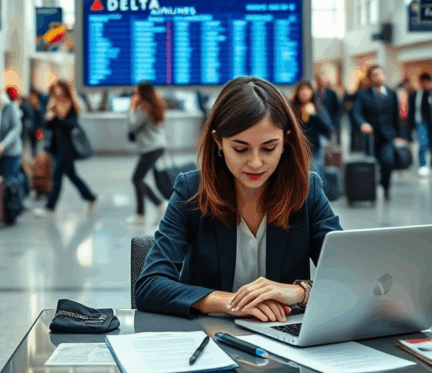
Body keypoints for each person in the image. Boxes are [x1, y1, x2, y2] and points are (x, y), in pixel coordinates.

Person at [134, 76, 342, 321]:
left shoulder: (307, 190)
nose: (255, 163)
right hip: (209, 337)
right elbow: (150, 285)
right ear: (218, 141)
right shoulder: (191, 190)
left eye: (269, 148)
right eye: (240, 149)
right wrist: (229, 302)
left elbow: (349, 277)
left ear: (285, 140)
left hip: (282, 336)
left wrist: (299, 292)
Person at [34, 80, 99, 218]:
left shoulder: (71, 105)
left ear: (65, 90)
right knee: (72, 175)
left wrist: (57, 116)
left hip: (67, 147)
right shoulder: (53, 104)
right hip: (56, 146)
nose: (57, 91)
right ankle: (90, 197)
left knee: (56, 176)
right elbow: (48, 126)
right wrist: (49, 117)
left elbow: (70, 125)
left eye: (59, 88)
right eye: (55, 88)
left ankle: (50, 207)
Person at [352, 65, 405, 200]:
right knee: (371, 165)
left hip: (388, 137)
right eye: (375, 75)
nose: (378, 77)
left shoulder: (392, 94)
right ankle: (370, 190)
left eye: (380, 74)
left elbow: (396, 117)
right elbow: (357, 112)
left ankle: (385, 186)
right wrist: (363, 123)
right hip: (370, 138)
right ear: (370, 78)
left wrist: (401, 136)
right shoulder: (363, 94)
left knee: (388, 161)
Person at [127, 81, 168, 226]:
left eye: (136, 93)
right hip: (157, 146)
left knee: (137, 179)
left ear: (142, 94)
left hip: (151, 148)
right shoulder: (156, 105)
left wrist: (131, 108)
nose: (134, 96)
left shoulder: (143, 108)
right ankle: (141, 215)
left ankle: (158, 204)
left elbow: (132, 126)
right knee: (138, 179)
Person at [407, 73, 432, 176]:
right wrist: (409, 127)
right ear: (420, 83)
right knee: (423, 143)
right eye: (423, 83)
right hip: (421, 123)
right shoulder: (415, 95)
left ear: (431, 82)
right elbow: (411, 112)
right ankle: (422, 165)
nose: (425, 85)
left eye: (427, 82)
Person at [290, 80, 334, 171]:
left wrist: (313, 115)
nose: (305, 92)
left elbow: (327, 129)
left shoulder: (318, 108)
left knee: (314, 175)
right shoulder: (291, 109)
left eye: (308, 89)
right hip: (297, 150)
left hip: (315, 151)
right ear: (297, 92)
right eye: (302, 89)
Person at [313, 73, 341, 145]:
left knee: (331, 145)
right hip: (318, 126)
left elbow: (338, 110)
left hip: (330, 124)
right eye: (319, 80)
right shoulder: (313, 94)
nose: (320, 82)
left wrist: (335, 123)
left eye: (322, 80)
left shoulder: (332, 94)